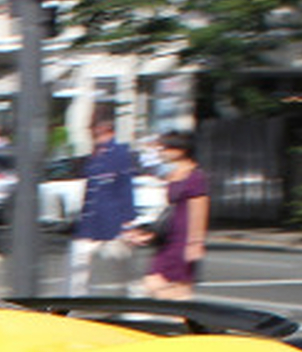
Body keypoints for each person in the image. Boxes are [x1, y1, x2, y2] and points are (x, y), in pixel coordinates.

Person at [68, 112, 142, 296]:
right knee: (78, 263)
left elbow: (125, 189)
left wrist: (128, 223)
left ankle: (134, 307)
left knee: (122, 267)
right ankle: (74, 305)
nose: (89, 133)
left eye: (92, 128)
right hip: (90, 223)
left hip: (113, 221)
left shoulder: (119, 153)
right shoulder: (95, 155)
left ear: (102, 128)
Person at [136, 129, 208, 300]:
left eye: (166, 148)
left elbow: (200, 209)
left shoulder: (195, 177)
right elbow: (162, 209)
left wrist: (196, 242)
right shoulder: (170, 175)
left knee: (167, 284)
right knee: (162, 283)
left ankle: (184, 317)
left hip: (183, 238)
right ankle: (181, 316)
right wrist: (149, 232)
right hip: (167, 237)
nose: (162, 152)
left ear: (180, 150)